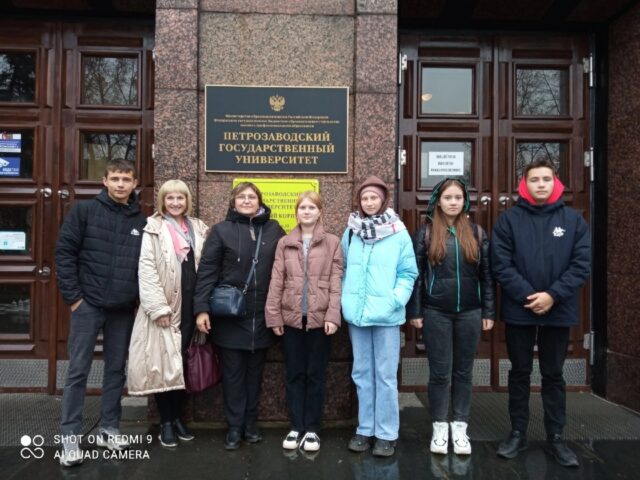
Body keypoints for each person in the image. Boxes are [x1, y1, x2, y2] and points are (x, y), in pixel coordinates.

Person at [491, 159, 591, 467]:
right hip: (520, 310)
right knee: (519, 372)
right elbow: (500, 264)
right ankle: (517, 433)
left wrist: (552, 296)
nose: (541, 184)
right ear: (524, 184)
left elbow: (581, 265)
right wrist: (529, 296)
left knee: (553, 374)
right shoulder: (508, 220)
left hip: (558, 311)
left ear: (556, 182)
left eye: (546, 179)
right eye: (534, 179)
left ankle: (556, 437)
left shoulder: (573, 221)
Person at [55, 158, 146, 467]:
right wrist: (75, 299)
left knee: (115, 371)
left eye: (126, 179)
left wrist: (136, 299)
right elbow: (64, 253)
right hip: (88, 305)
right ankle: (70, 437)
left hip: (122, 309)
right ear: (105, 181)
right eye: (115, 178)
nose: (121, 184)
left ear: (135, 184)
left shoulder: (141, 221)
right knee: (78, 371)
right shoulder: (84, 211)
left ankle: (109, 429)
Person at [193, 182, 285, 450]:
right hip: (230, 316)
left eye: (252, 197)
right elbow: (207, 270)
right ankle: (234, 427)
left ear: (260, 201)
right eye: (241, 197)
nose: (247, 201)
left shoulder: (274, 229)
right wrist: (201, 308)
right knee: (233, 375)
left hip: (262, 316)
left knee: (255, 376)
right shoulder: (221, 231)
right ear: (233, 202)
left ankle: (250, 424)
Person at [406, 178, 495, 455]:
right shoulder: (426, 233)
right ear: (438, 201)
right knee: (439, 373)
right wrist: (416, 310)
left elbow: (487, 275)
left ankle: (460, 426)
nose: (453, 202)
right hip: (436, 312)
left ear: (464, 201)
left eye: (458, 197)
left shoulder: (476, 233)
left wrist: (488, 310)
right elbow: (416, 276)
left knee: (463, 372)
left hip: (470, 312)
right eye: (448, 198)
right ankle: (439, 427)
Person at [127, 180, 208, 447]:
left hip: (191, 305)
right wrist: (158, 308)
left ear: (187, 201)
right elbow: (146, 269)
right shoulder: (153, 228)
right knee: (163, 365)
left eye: (180, 198)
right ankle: (166, 421)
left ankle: (178, 418)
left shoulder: (198, 227)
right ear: (162, 201)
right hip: (165, 308)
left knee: (182, 363)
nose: (175, 203)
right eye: (170, 198)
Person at [342, 176, 418, 457]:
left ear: (383, 200)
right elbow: (343, 268)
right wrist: (345, 298)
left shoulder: (398, 232)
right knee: (362, 373)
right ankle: (364, 429)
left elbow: (408, 273)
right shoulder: (351, 232)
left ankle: (386, 433)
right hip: (358, 315)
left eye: (374, 197)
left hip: (387, 316)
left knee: (385, 376)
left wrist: (394, 299)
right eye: (365, 198)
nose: (369, 202)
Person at [265, 191, 343, 453]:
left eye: (312, 207)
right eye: (302, 208)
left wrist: (333, 315)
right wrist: (274, 315)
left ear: (320, 212)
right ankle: (296, 426)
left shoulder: (332, 242)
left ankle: (312, 429)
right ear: (296, 212)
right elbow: (277, 280)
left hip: (320, 321)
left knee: (316, 375)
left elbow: (336, 282)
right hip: (291, 320)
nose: (306, 212)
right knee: (295, 374)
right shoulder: (285, 242)